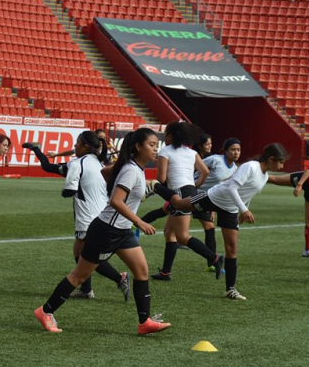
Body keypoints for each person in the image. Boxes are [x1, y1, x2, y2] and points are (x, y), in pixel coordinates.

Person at [34, 128, 171, 335]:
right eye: (151, 145)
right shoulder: (132, 170)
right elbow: (116, 201)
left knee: (141, 272)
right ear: (138, 147)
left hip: (122, 231)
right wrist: (140, 222)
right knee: (79, 276)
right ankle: (45, 311)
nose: (155, 149)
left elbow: (105, 172)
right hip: (106, 230)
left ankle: (144, 322)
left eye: (155, 145)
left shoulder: (133, 167)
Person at [149, 143, 290, 300]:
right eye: (281, 162)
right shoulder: (251, 167)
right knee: (178, 204)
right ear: (271, 159)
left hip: (230, 209)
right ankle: (156, 186)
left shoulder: (263, 176)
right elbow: (231, 188)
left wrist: (243, 210)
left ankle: (230, 289)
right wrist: (244, 209)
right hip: (214, 197)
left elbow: (246, 194)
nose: (282, 166)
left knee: (232, 249)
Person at [26, 131, 130, 299]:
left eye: (77, 143)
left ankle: (120, 278)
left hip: (89, 217)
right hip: (101, 213)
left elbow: (65, 186)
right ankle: (87, 290)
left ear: (85, 146)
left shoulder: (77, 164)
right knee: (79, 251)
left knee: (89, 257)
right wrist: (36, 150)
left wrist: (35, 149)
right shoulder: (97, 161)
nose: (74, 146)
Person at [149, 122, 224, 282]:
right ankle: (165, 272)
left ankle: (214, 258)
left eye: (166, 134)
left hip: (178, 193)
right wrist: (194, 186)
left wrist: (153, 186)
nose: (165, 137)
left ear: (171, 135)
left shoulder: (165, 151)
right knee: (170, 233)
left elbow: (161, 179)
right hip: (190, 191)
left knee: (182, 237)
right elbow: (205, 171)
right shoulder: (191, 153)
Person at [195, 137, 241, 272]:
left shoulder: (235, 169)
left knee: (171, 225)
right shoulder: (215, 159)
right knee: (209, 227)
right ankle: (213, 261)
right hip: (195, 194)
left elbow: (220, 189)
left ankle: (211, 262)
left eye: (238, 150)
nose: (236, 152)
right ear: (225, 151)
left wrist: (213, 209)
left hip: (209, 199)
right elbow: (194, 164)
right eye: (233, 149)